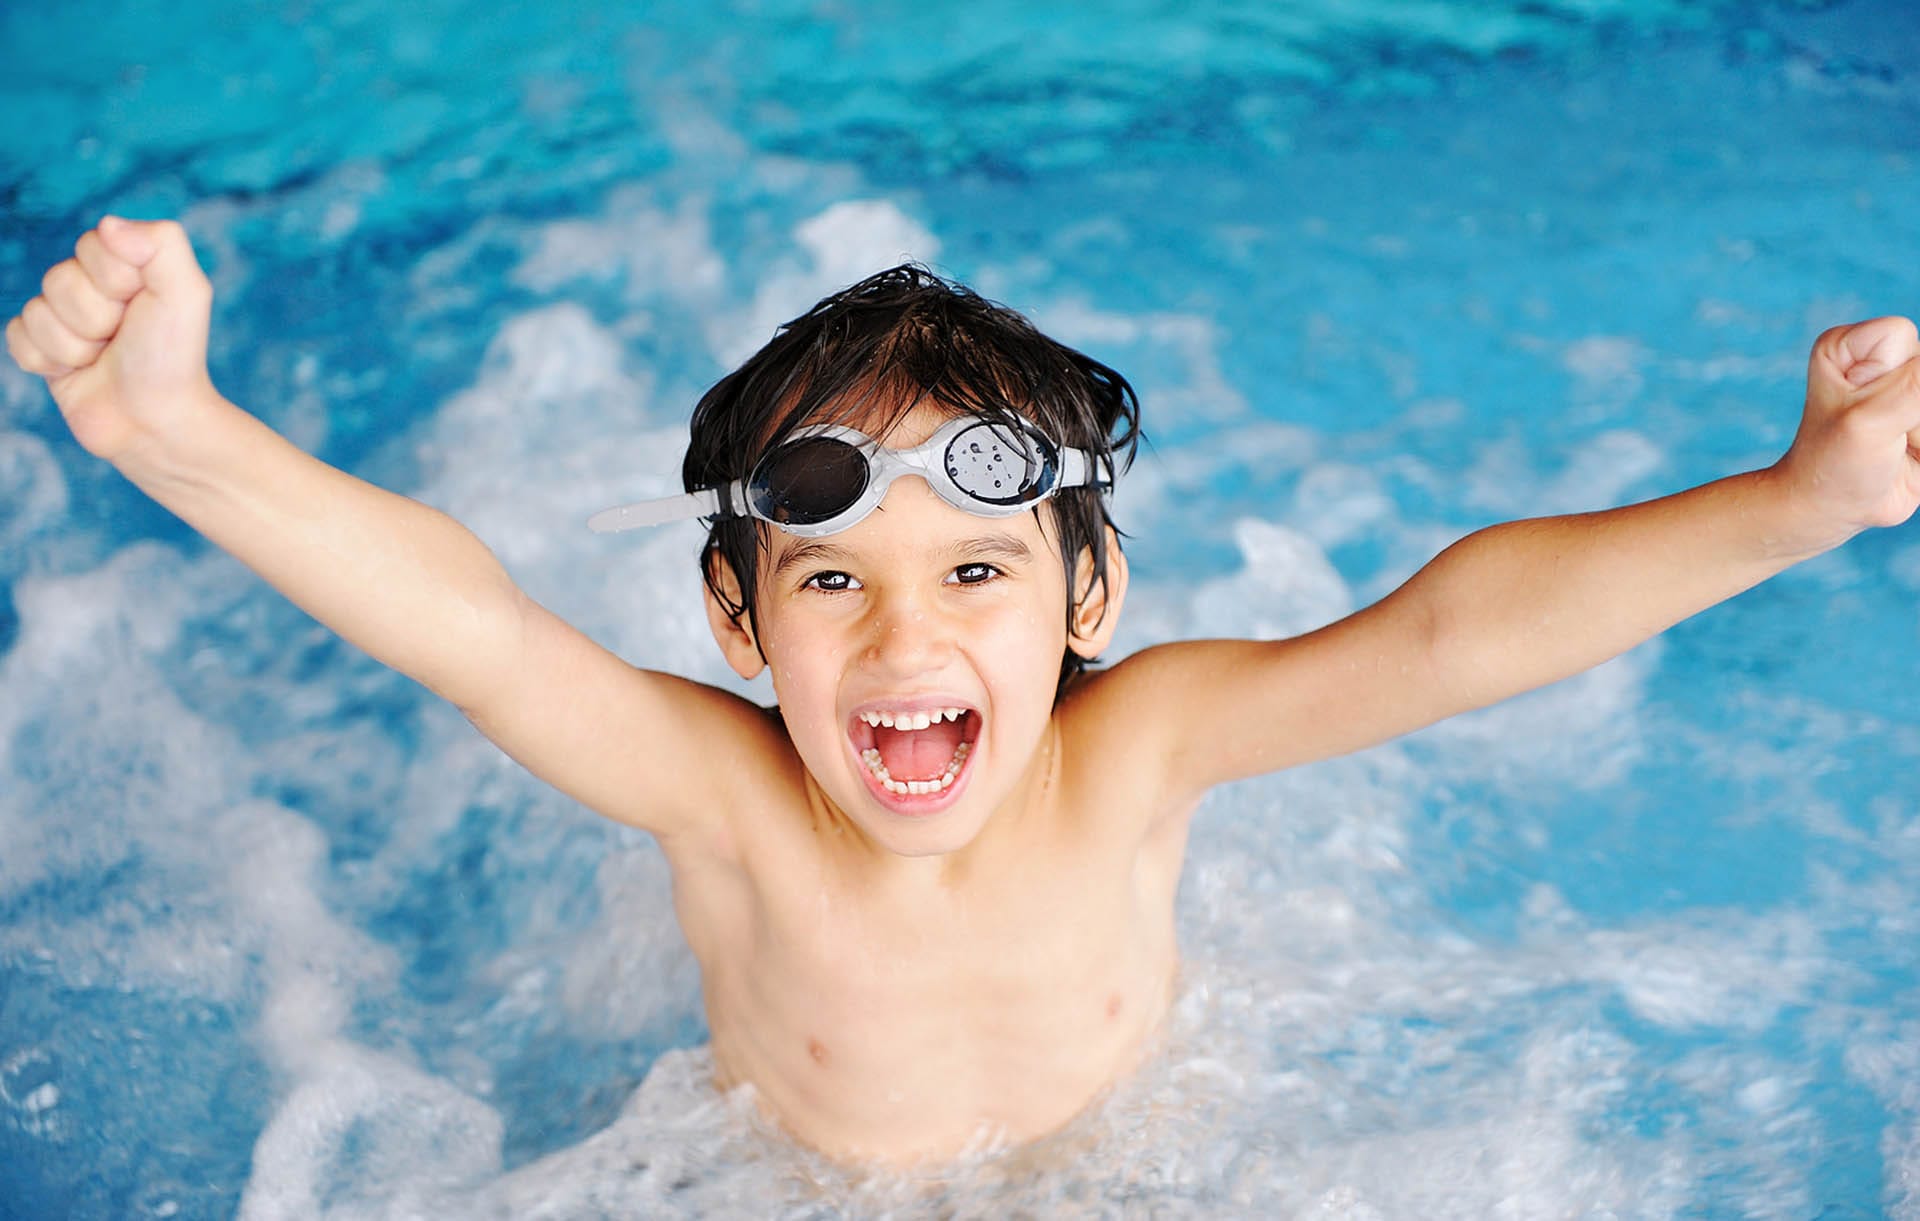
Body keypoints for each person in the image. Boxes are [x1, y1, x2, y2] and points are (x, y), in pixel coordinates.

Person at [8, 216, 1918, 1165]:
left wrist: (1792, 501)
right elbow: (480, 631)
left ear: (1088, 594)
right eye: (830, 580)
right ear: (741, 626)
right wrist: (175, 431)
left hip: (1123, 1168)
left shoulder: (1139, 750)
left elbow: (1437, 639)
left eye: (977, 575)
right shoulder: (727, 793)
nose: (906, 645)